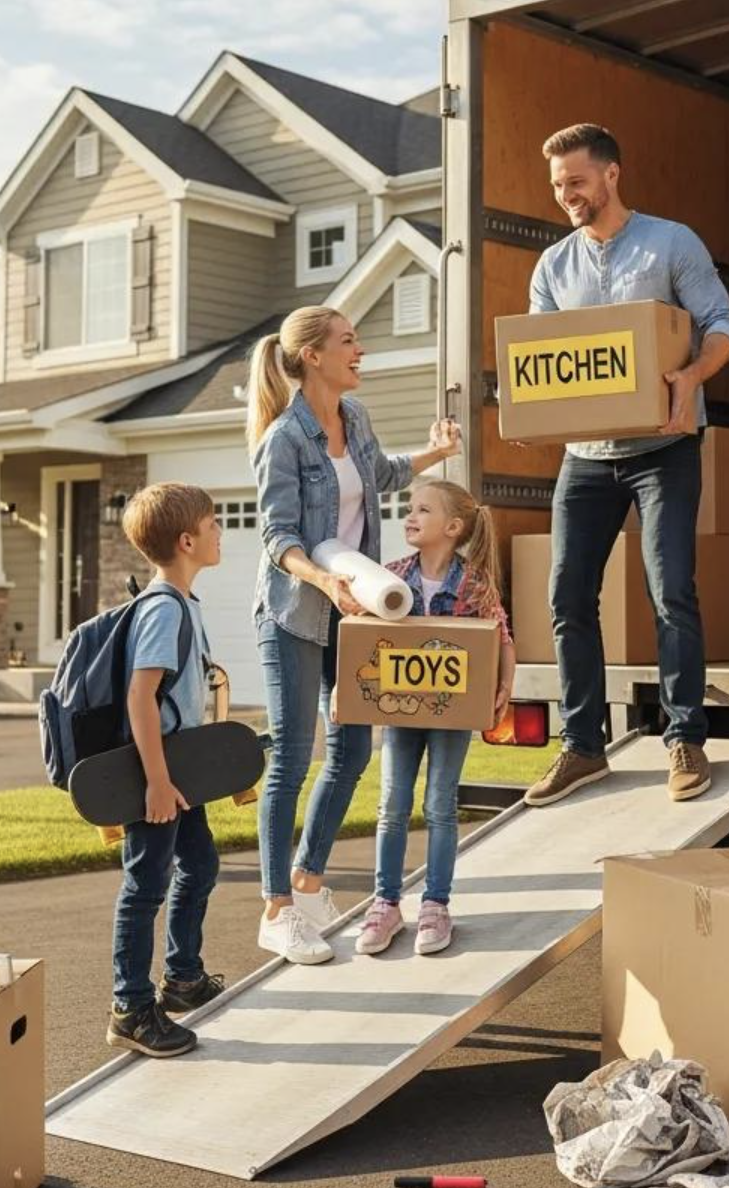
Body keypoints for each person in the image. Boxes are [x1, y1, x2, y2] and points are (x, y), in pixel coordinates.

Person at [521, 123, 729, 809]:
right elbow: (543, 362)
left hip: (664, 451)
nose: (568, 197)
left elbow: (725, 327)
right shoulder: (552, 267)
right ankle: (584, 746)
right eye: (559, 186)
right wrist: (537, 413)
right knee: (565, 599)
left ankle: (685, 736)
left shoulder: (671, 243)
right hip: (586, 459)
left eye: (578, 182)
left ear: (612, 174)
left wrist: (690, 377)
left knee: (671, 590)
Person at [249, 305, 462, 964]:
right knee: (291, 757)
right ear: (313, 356)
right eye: (349, 341)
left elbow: (382, 473)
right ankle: (276, 909)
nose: (360, 350)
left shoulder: (357, 420)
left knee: (352, 753)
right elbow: (277, 534)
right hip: (294, 611)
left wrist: (437, 452)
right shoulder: (285, 439)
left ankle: (309, 882)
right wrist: (321, 579)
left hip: (354, 609)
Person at [354, 480, 516, 957]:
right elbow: (363, 637)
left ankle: (436, 905)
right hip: (401, 713)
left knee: (441, 805)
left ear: (452, 527)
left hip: (451, 715)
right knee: (392, 804)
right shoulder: (391, 578)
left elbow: (501, 635)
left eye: (421, 510)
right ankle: (385, 904)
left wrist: (505, 685)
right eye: (409, 508)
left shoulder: (474, 583)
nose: (409, 516)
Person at [107, 482, 226, 1058]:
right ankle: (130, 1008)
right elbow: (140, 698)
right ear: (187, 540)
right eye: (213, 525)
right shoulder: (162, 608)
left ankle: (182, 977)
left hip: (180, 771)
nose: (220, 533)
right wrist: (155, 781)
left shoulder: (182, 603)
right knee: (145, 885)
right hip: (158, 774)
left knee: (199, 863)